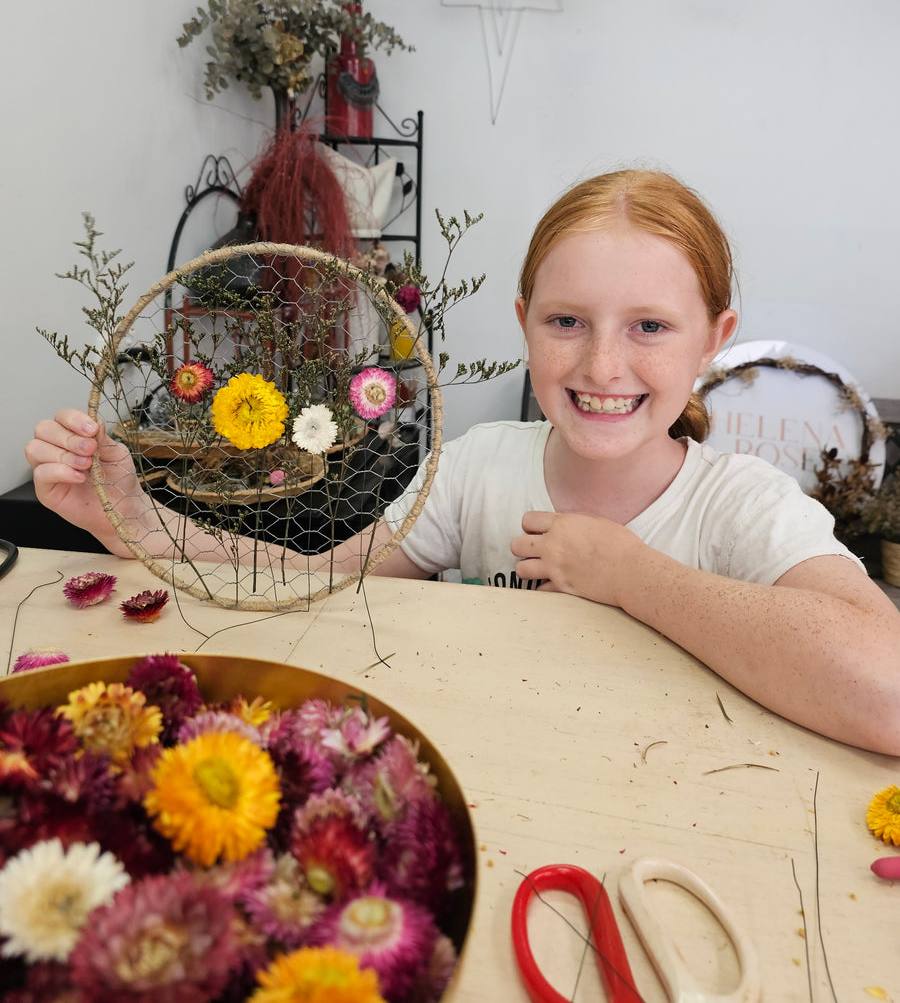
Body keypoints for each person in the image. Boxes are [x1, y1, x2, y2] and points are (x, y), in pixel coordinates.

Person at [27, 170, 900, 754]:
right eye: (567, 322)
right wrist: (132, 519)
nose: (602, 366)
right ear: (524, 323)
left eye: (650, 326)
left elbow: (886, 687)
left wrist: (632, 575)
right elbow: (315, 577)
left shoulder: (741, 504)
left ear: (714, 340)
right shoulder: (480, 467)